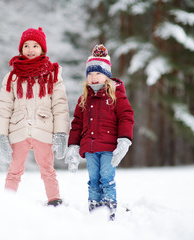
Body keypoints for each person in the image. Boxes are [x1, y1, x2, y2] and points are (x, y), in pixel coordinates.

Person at [0, 27, 70, 206]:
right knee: (14, 169)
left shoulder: (52, 74)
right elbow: (4, 107)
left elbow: (60, 106)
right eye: (26, 46)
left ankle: (54, 200)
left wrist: (60, 133)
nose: (30, 49)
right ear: (20, 49)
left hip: (43, 129)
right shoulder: (12, 77)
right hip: (18, 129)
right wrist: (1, 135)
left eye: (35, 46)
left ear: (43, 49)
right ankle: (7, 201)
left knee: (47, 169)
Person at [65, 44, 134, 220]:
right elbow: (77, 124)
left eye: (98, 73)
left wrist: (124, 140)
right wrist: (73, 146)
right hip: (90, 148)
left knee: (106, 178)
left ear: (107, 76)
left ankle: (109, 210)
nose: (93, 77)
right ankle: (95, 211)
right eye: (90, 74)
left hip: (109, 148)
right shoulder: (84, 98)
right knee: (93, 180)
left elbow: (126, 117)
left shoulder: (116, 96)